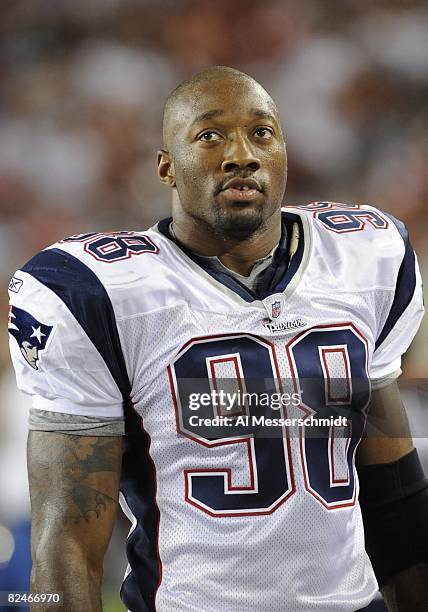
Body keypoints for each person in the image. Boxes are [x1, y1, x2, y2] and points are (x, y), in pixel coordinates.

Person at [7, 66, 428, 612]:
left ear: (282, 153)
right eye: (210, 135)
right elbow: (66, 539)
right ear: (166, 168)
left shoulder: (364, 258)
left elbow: (392, 493)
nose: (241, 154)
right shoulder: (100, 293)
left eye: (262, 133)